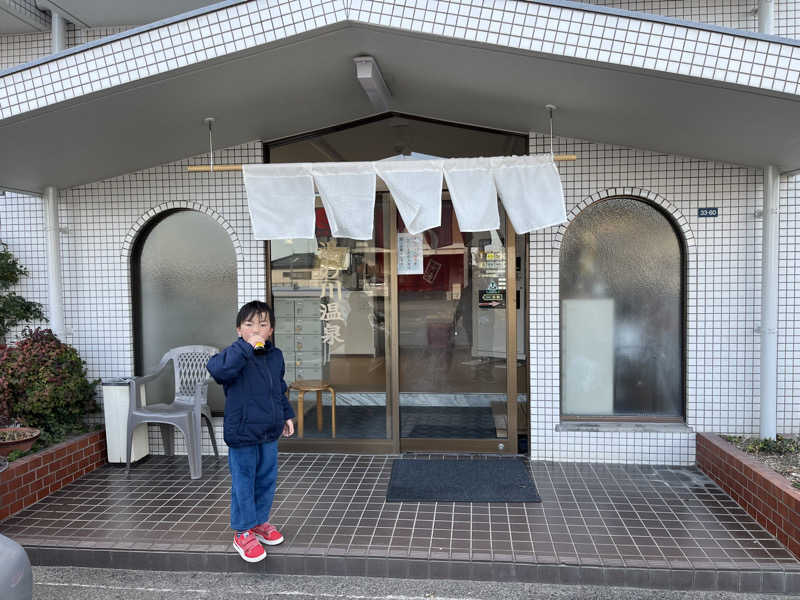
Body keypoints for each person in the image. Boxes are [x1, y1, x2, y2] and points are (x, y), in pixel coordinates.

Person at [206, 300, 296, 563]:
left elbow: (278, 389)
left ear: (272, 330)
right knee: (244, 483)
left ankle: (259, 522)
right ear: (238, 330)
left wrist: (286, 415)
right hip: (242, 432)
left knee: (266, 479)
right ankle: (242, 532)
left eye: (263, 324)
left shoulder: (275, 355)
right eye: (249, 324)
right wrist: (245, 348)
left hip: (268, 431)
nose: (256, 329)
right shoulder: (234, 356)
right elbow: (217, 370)